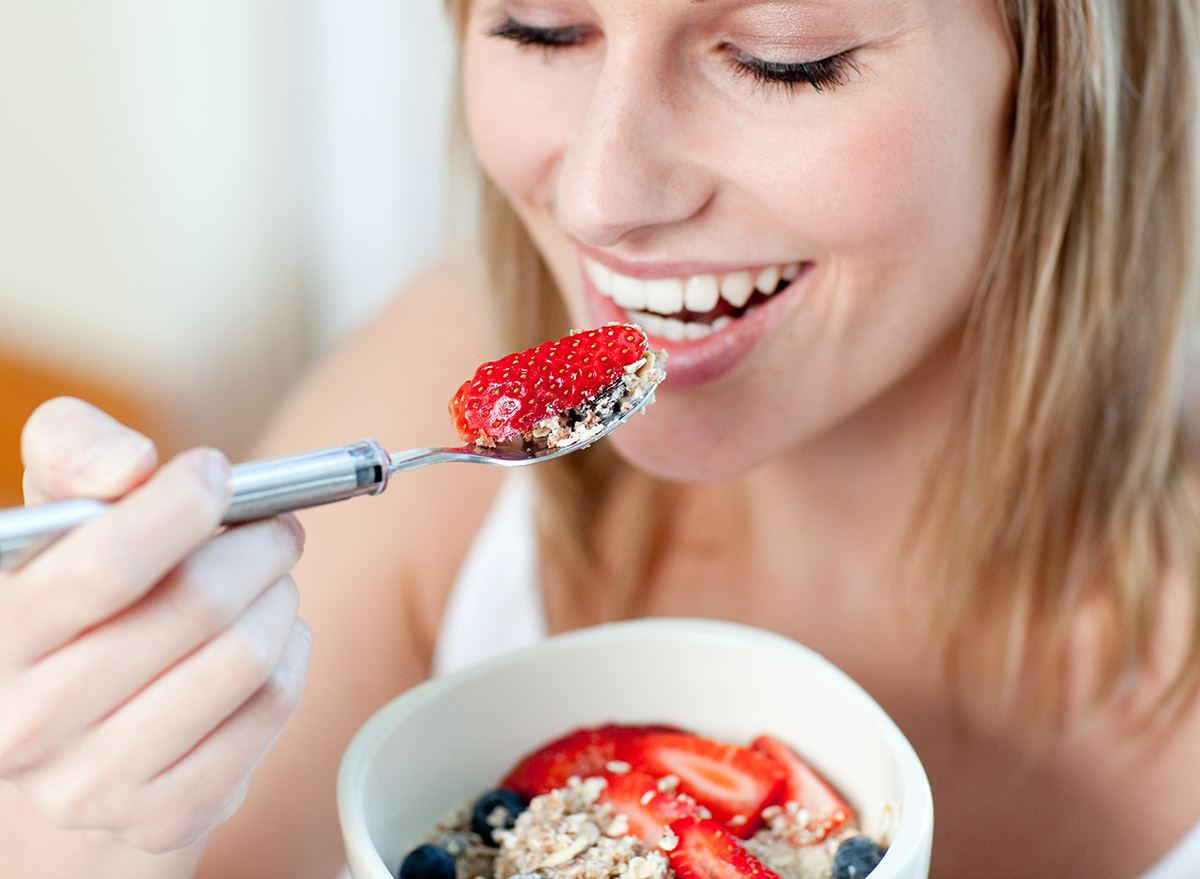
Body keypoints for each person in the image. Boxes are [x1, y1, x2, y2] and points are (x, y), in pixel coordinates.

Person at [1, 0, 1198, 876]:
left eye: (786, 60)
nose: (600, 201)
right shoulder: (438, 392)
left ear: (1057, 84)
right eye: (539, 29)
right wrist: (85, 834)